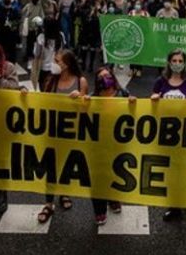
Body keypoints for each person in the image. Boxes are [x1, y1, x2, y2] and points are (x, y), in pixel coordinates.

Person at [151, 49, 186, 222]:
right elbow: (152, 105)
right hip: (167, 135)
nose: (176, 63)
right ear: (168, 62)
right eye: (173, 60)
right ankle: (174, 206)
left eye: (180, 60)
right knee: (172, 171)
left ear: (184, 62)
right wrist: (152, 99)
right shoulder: (161, 81)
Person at [37, 49, 88, 224]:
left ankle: (64, 193)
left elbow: (86, 110)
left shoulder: (80, 81)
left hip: (70, 133)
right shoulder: (51, 81)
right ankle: (48, 203)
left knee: (66, 166)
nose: (55, 64)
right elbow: (43, 103)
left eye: (58, 61)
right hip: (52, 132)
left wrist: (80, 98)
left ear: (67, 64)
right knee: (51, 166)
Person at [86, 66, 133, 225]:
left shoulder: (123, 93)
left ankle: (113, 199)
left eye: (107, 75)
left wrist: (133, 103)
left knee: (116, 172)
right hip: (97, 144)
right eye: (101, 77)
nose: (105, 79)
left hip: (117, 143)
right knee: (98, 176)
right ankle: (99, 210)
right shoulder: (93, 98)